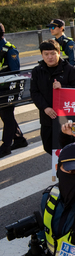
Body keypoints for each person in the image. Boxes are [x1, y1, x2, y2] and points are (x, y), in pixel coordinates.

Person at [31, 39, 75, 155]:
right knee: (48, 146)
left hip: (66, 117)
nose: (50, 57)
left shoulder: (69, 70)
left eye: (52, 53)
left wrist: (63, 87)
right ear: (42, 55)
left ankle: (66, 168)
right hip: (47, 116)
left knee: (68, 146)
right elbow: (34, 92)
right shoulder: (37, 71)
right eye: (46, 54)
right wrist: (45, 108)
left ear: (58, 53)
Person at [0, 24, 27, 157]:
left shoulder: (9, 49)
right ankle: (19, 139)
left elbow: (16, 72)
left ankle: (6, 146)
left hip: (7, 89)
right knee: (6, 115)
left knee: (7, 115)